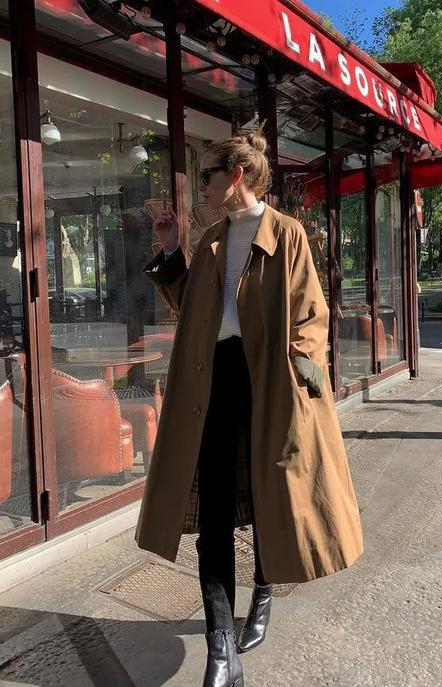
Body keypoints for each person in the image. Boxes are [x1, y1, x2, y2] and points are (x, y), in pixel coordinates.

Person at [136, 127, 364, 687]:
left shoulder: (287, 234)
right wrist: (171, 248)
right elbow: (192, 307)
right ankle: (221, 647)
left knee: (269, 498)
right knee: (214, 513)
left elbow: (311, 314)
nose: (201, 188)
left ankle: (263, 590)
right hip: (211, 382)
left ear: (236, 176)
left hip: (270, 383)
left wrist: (300, 377)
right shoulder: (211, 239)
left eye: (208, 176)